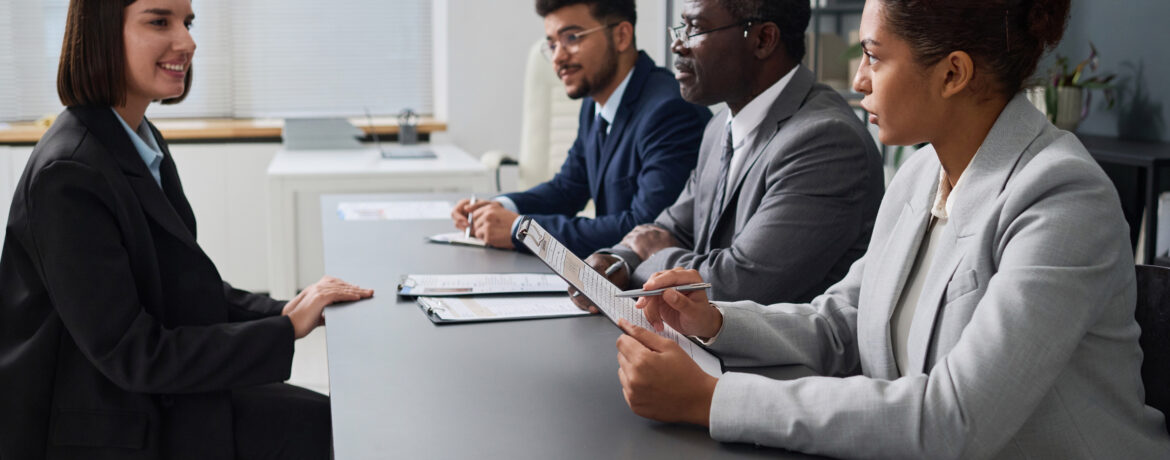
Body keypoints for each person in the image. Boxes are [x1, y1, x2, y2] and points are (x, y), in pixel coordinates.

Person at [614, 0, 1170, 457]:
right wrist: (713, 320)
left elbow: (956, 419)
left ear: (953, 73)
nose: (857, 78)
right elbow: (844, 320)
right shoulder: (922, 170)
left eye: (874, 57)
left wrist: (714, 401)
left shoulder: (1064, 198)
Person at [0, 1, 372, 458]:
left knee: (337, 423)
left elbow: (181, 290)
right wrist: (285, 330)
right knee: (331, 433)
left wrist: (286, 310)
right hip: (107, 425)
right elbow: (135, 354)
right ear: (100, 32)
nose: (188, 41)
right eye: (160, 21)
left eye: (188, 22)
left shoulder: (136, 138)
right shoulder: (70, 173)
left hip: (146, 398)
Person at [571, 0, 882, 311]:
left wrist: (653, 256)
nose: (678, 44)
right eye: (681, 28)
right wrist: (617, 262)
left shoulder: (826, 141)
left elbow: (737, 286)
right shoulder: (721, 124)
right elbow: (670, 228)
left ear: (763, 40)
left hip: (778, 358)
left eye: (696, 28)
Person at [450, 0, 711, 258]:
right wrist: (500, 207)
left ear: (621, 36)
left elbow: (648, 231)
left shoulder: (670, 111)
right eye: (552, 44)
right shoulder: (594, 104)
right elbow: (568, 188)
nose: (558, 57)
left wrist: (523, 231)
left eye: (572, 37)